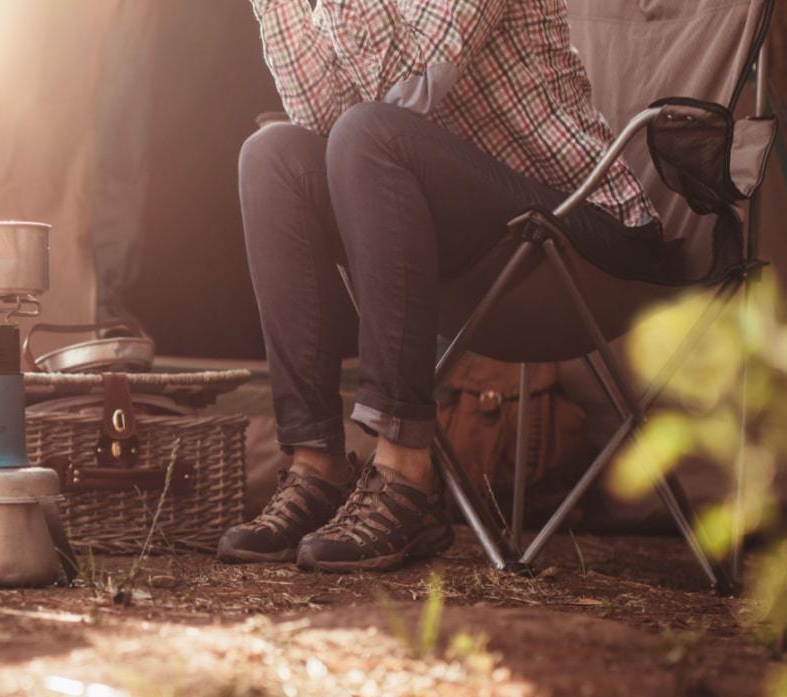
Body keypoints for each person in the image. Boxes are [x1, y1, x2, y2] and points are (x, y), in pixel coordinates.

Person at [218, 0, 659, 571]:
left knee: (367, 130)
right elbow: (316, 112)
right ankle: (316, 468)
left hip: (582, 231)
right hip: (478, 240)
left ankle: (406, 476)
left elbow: (401, 91)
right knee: (272, 154)